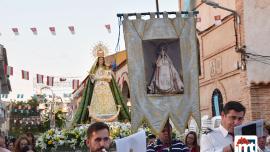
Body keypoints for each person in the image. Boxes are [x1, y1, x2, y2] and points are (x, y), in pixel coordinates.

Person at [73, 44, 130, 124]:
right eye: (99, 60)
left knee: (108, 100)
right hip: (97, 88)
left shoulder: (107, 69)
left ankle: (110, 112)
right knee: (97, 102)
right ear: (97, 60)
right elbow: (92, 80)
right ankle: (96, 113)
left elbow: (110, 78)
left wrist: (104, 76)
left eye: (102, 60)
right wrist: (93, 76)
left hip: (106, 87)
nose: (101, 61)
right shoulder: (94, 70)